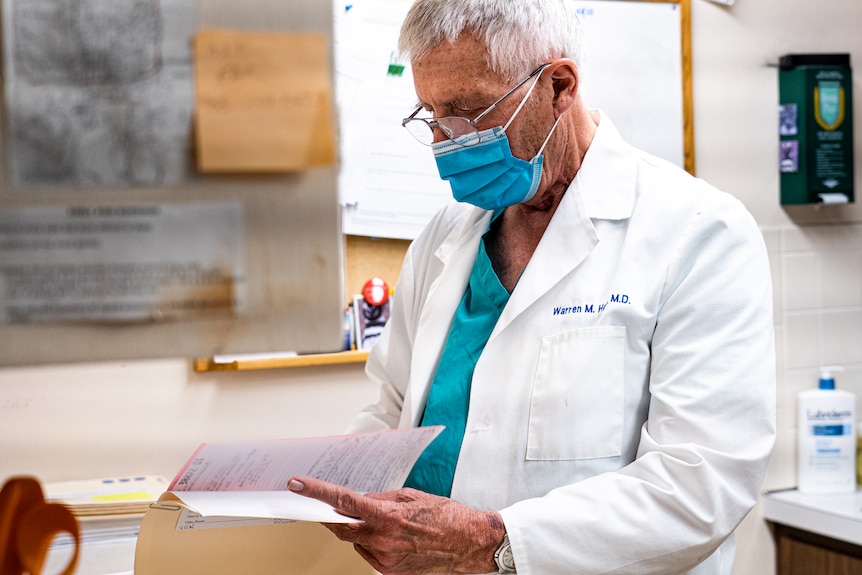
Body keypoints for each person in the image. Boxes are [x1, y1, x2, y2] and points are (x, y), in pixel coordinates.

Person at [288, 0, 776, 573]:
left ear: (559, 86)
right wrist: (340, 488)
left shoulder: (698, 233)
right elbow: (393, 406)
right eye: (435, 117)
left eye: (471, 112)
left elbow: (700, 486)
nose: (450, 141)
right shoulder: (447, 237)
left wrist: (494, 542)